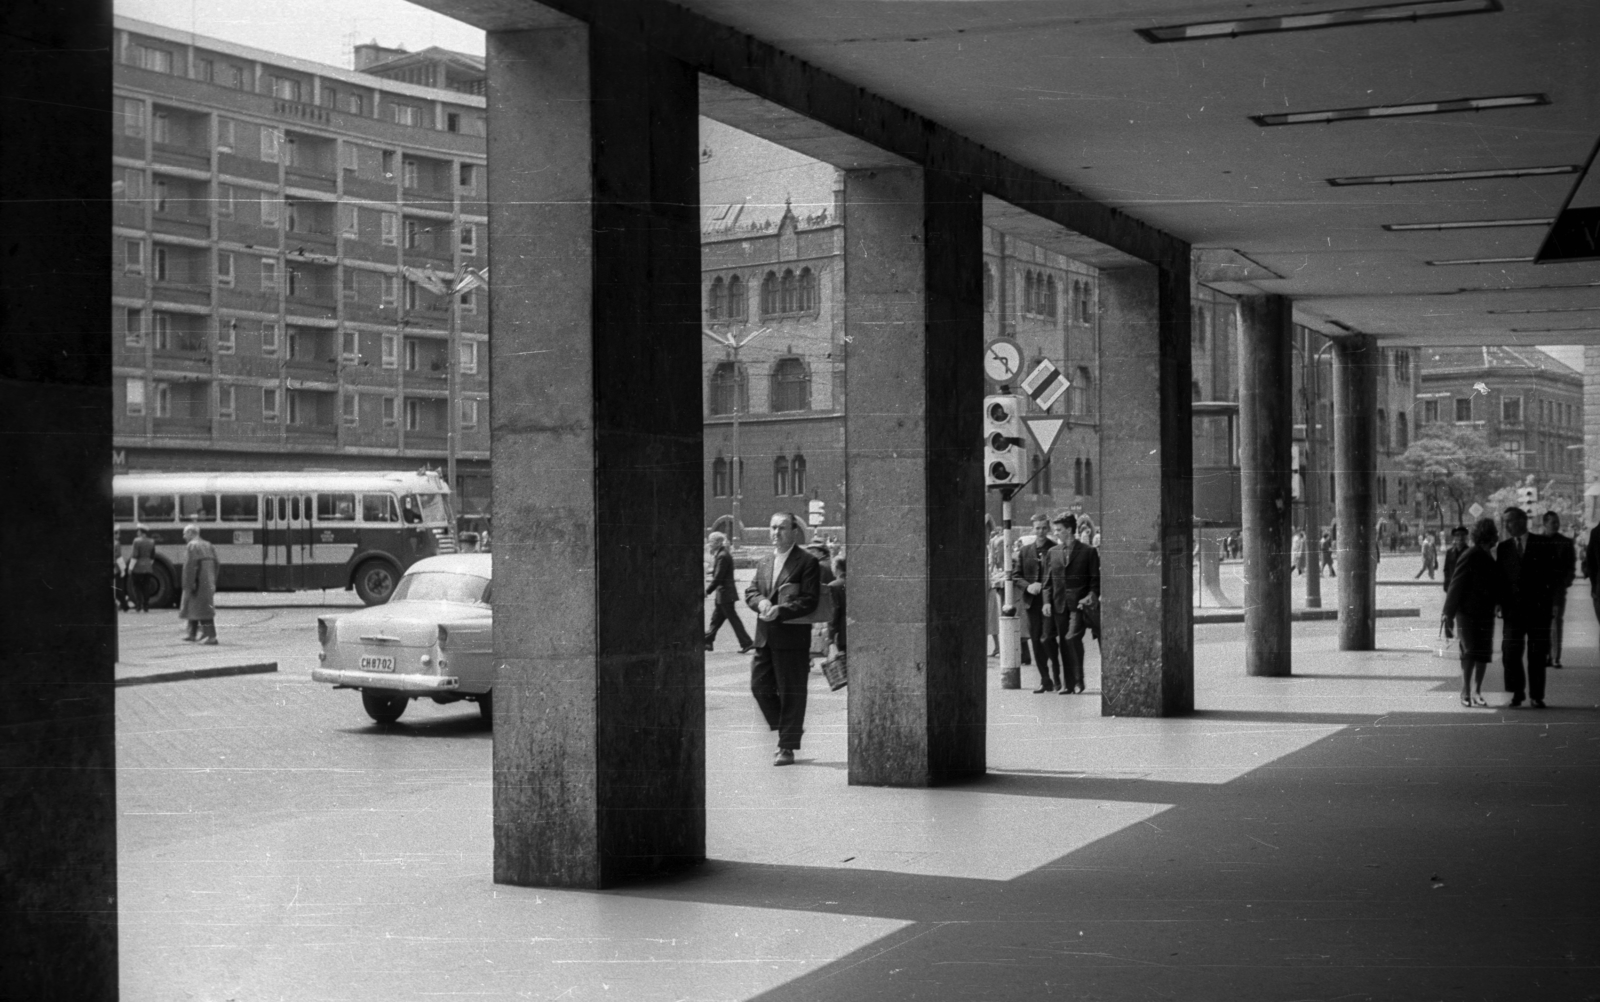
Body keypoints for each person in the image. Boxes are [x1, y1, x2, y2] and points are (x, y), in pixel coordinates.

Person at [744, 512, 821, 765]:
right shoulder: (765, 561)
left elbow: (810, 600)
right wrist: (762, 602)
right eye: (772, 527)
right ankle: (790, 728)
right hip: (764, 636)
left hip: (792, 638)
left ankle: (786, 747)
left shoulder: (807, 562)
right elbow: (751, 591)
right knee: (759, 685)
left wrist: (781, 610)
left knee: (791, 693)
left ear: (794, 531)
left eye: (782, 528)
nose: (776, 533)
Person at [1496, 507, 1558, 708]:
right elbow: (1501, 579)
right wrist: (1499, 602)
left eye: (1511, 521)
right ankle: (1517, 692)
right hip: (1512, 611)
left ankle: (1536, 695)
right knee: (1510, 652)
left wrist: (1551, 603)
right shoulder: (1503, 548)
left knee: (1537, 654)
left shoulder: (1543, 544)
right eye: (1505, 521)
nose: (1507, 525)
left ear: (1523, 521)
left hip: (1538, 610)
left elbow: (1552, 576)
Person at [1442, 518, 1504, 708]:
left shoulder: (1488, 556)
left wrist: (1498, 602)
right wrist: (1448, 613)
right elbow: (1456, 584)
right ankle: (1466, 691)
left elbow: (1495, 585)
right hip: (1467, 613)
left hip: (1485, 613)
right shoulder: (1471, 555)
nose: (1496, 538)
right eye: (1494, 534)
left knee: (1483, 652)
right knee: (1469, 651)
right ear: (1488, 536)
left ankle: (1476, 691)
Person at [1041, 511, 1100, 696]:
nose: (1055, 533)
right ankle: (1068, 684)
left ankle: (1079, 680)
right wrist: (1046, 602)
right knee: (1064, 643)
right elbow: (1047, 583)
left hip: (1079, 605)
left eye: (1058, 529)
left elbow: (1095, 582)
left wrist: (1089, 597)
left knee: (1071, 638)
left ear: (1069, 529)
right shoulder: (1052, 553)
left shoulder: (1088, 552)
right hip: (1059, 605)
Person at [1010, 513, 1059, 693]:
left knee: (1048, 639)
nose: (1040, 532)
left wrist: (1046, 587)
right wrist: (1028, 586)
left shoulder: (1055, 548)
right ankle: (1045, 679)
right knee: (1036, 642)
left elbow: (1060, 575)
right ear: (1033, 528)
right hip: (1032, 603)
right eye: (1037, 528)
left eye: (1044, 528)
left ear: (1048, 528)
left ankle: (1057, 677)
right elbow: (1016, 575)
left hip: (1050, 603)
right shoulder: (1025, 551)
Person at [704, 531, 754, 654]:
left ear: (718, 543)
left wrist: (707, 591)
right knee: (716, 620)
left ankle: (747, 642)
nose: (709, 544)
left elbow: (719, 577)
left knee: (732, 620)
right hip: (724, 595)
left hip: (725, 594)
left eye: (711, 542)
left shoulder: (722, 555)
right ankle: (708, 642)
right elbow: (720, 572)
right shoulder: (722, 554)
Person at [1542, 511, 1576, 670]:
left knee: (1555, 621)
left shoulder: (1566, 543)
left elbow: (1571, 566)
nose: (1555, 525)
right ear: (1545, 524)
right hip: (1540, 589)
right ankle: (1545, 656)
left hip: (1557, 588)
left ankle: (1555, 657)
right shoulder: (1536, 542)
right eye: (1552, 522)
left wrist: (1565, 582)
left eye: (1557, 522)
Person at [179, 522, 220, 645]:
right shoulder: (208, 545)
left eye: (185, 533)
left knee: (201, 608)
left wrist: (188, 584)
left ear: (191, 533)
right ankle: (192, 633)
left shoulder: (192, 546)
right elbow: (217, 564)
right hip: (208, 581)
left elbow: (189, 567)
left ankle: (211, 636)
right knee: (197, 606)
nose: (184, 537)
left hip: (196, 582)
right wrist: (213, 580)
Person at [129, 525, 157, 613]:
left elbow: (135, 556)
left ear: (141, 532)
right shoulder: (152, 542)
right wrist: (148, 564)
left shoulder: (136, 541)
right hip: (148, 568)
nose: (137, 532)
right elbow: (152, 557)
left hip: (138, 568)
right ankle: (146, 606)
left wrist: (130, 567)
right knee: (146, 587)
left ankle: (138, 606)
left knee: (137, 587)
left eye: (138, 531)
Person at [1441, 525, 1469, 594]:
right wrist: (1447, 584)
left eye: (1462, 535)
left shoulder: (1470, 552)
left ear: (1466, 537)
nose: (1460, 538)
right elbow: (1446, 569)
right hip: (1452, 586)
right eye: (1457, 535)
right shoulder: (1450, 552)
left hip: (1465, 588)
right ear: (1454, 537)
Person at [113, 533, 130, 612]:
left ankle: (124, 605)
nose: (119, 535)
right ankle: (123, 605)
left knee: (118, 588)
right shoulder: (116, 543)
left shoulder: (116, 543)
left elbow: (118, 555)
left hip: (117, 568)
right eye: (117, 533)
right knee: (118, 588)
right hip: (118, 568)